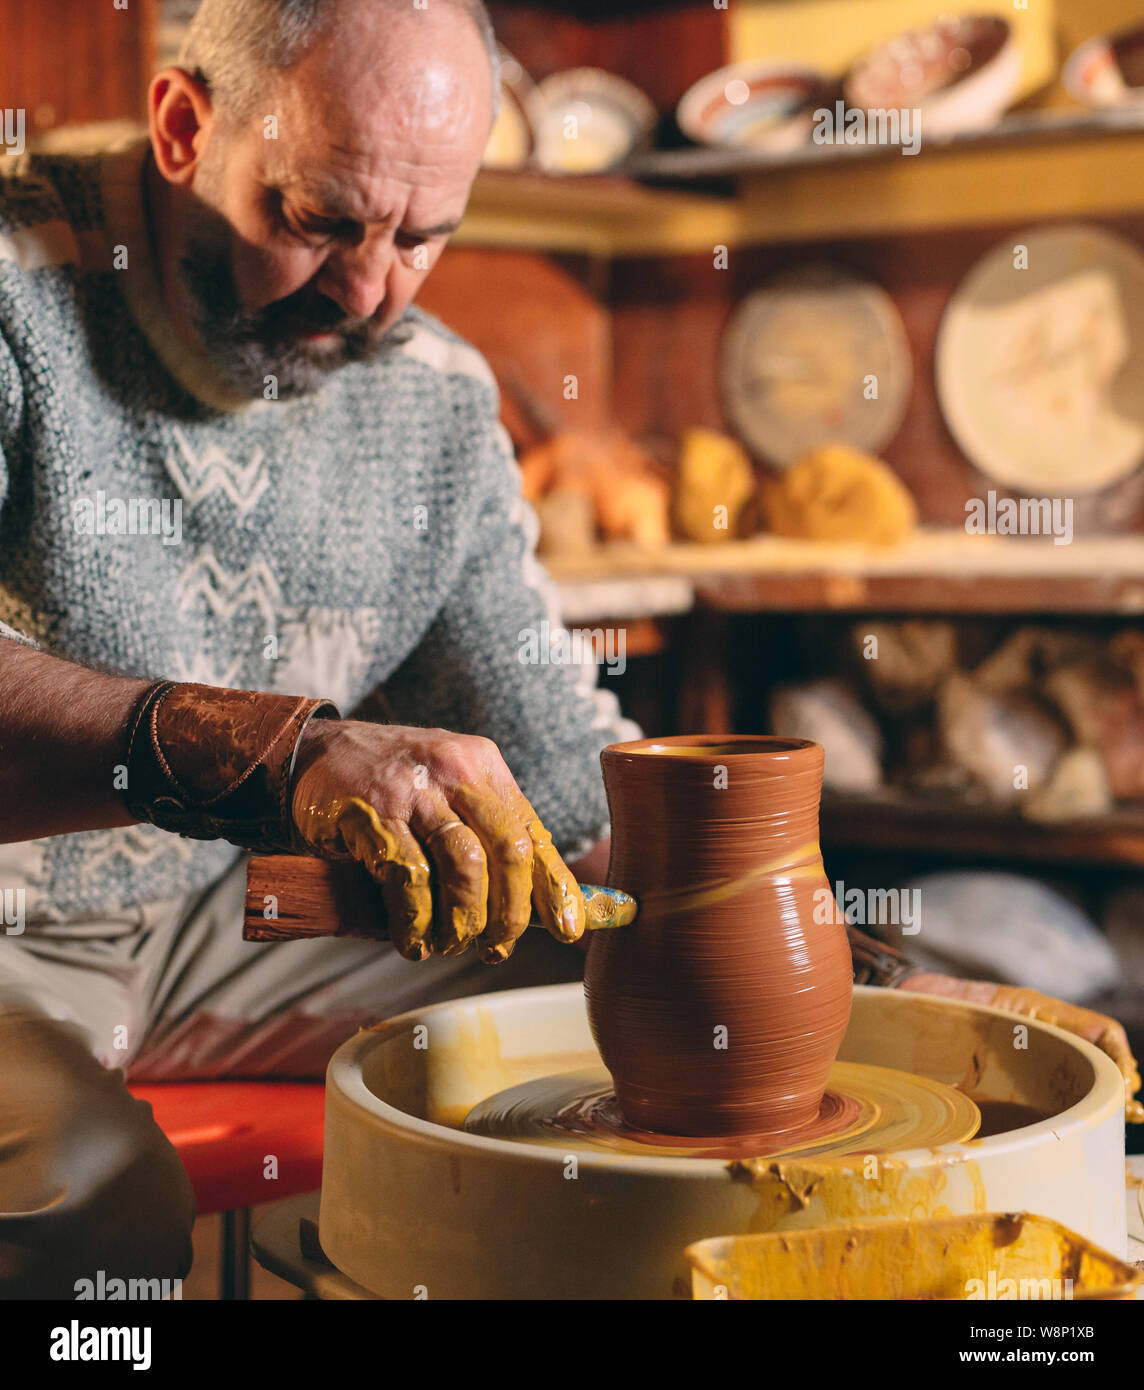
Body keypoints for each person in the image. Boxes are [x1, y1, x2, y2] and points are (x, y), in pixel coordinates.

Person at [0, 0, 1136, 1298]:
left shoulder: (423, 391)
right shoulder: (18, 289)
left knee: (662, 999)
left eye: (426, 235)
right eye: (319, 218)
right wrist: (288, 756)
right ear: (184, 125)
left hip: (216, 911)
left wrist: (896, 994)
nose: (371, 292)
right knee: (90, 1208)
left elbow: (563, 776)